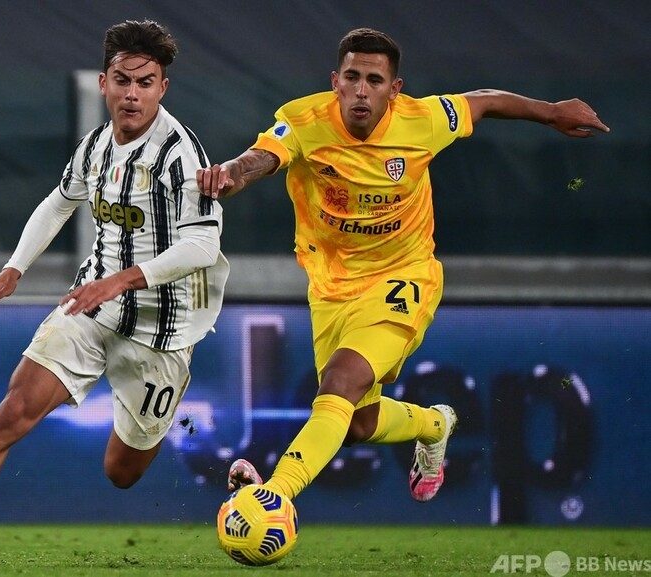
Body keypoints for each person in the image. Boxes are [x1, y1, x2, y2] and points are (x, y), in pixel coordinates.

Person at [197, 28, 608, 505]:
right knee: (356, 424)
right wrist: (230, 174)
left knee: (339, 383)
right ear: (335, 81)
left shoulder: (423, 120)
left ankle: (275, 496)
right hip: (332, 286)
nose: (361, 90)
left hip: (403, 275)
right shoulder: (304, 120)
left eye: (374, 80)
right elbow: (262, 157)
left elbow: (484, 102)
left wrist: (551, 112)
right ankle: (434, 425)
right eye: (352, 77)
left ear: (394, 89)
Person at [0, 19, 229, 565]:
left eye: (145, 83)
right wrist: (15, 267)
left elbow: (203, 247)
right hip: (90, 307)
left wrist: (122, 279)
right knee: (14, 409)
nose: (132, 94)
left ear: (163, 88)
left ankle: (228, 467)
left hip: (161, 331)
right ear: (104, 82)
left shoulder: (181, 156)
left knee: (122, 471)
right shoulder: (95, 147)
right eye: (122, 80)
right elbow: (59, 202)